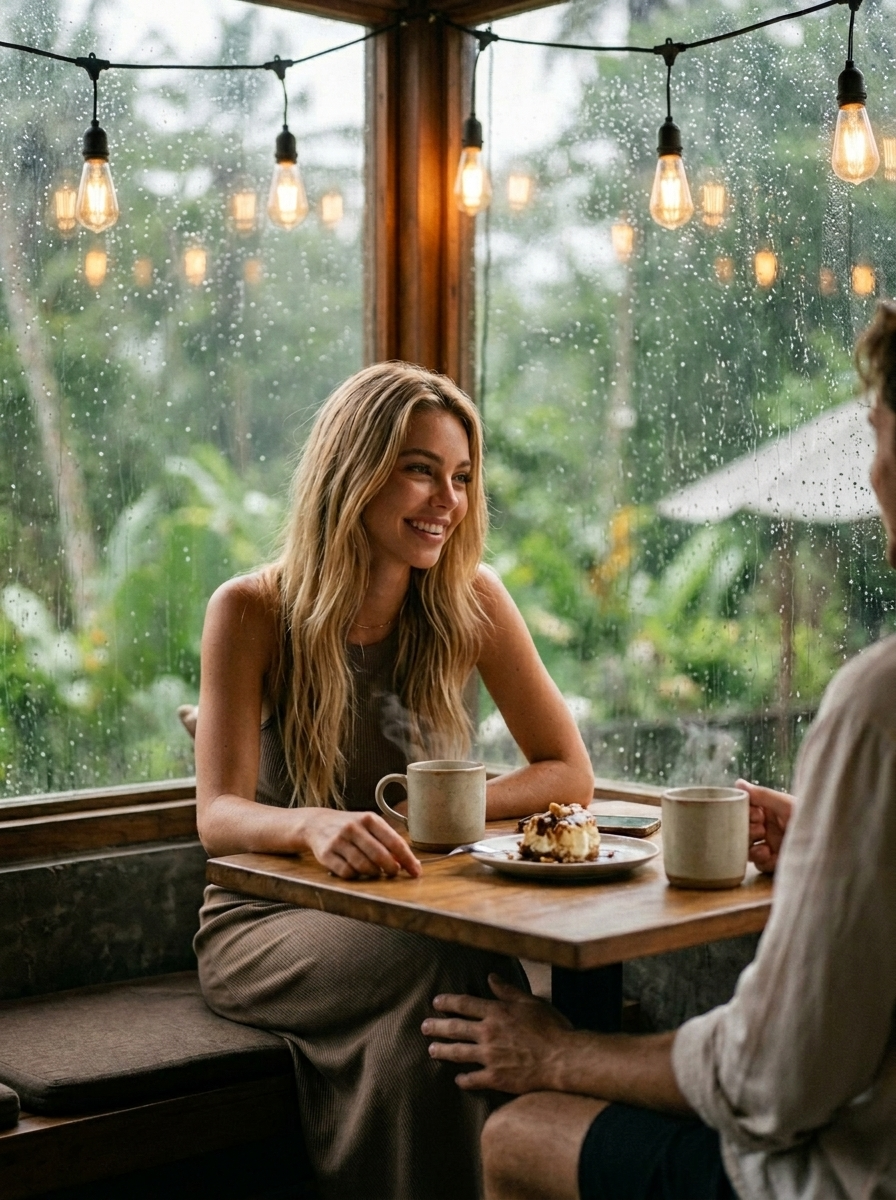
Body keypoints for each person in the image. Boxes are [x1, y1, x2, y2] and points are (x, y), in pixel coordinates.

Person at [423, 301, 896, 1200]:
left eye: (880, 436)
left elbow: (775, 1081)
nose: (872, 472)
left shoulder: (879, 703)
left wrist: (562, 1053)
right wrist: (839, 853)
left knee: (519, 1133)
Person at [192, 361, 594, 1200]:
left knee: (419, 1045)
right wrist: (310, 825)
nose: (446, 500)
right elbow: (219, 816)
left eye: (461, 477)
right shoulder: (251, 610)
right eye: (420, 469)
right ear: (354, 471)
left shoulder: (472, 600)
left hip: (413, 907)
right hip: (267, 923)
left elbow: (569, 773)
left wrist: (434, 813)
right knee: (455, 968)